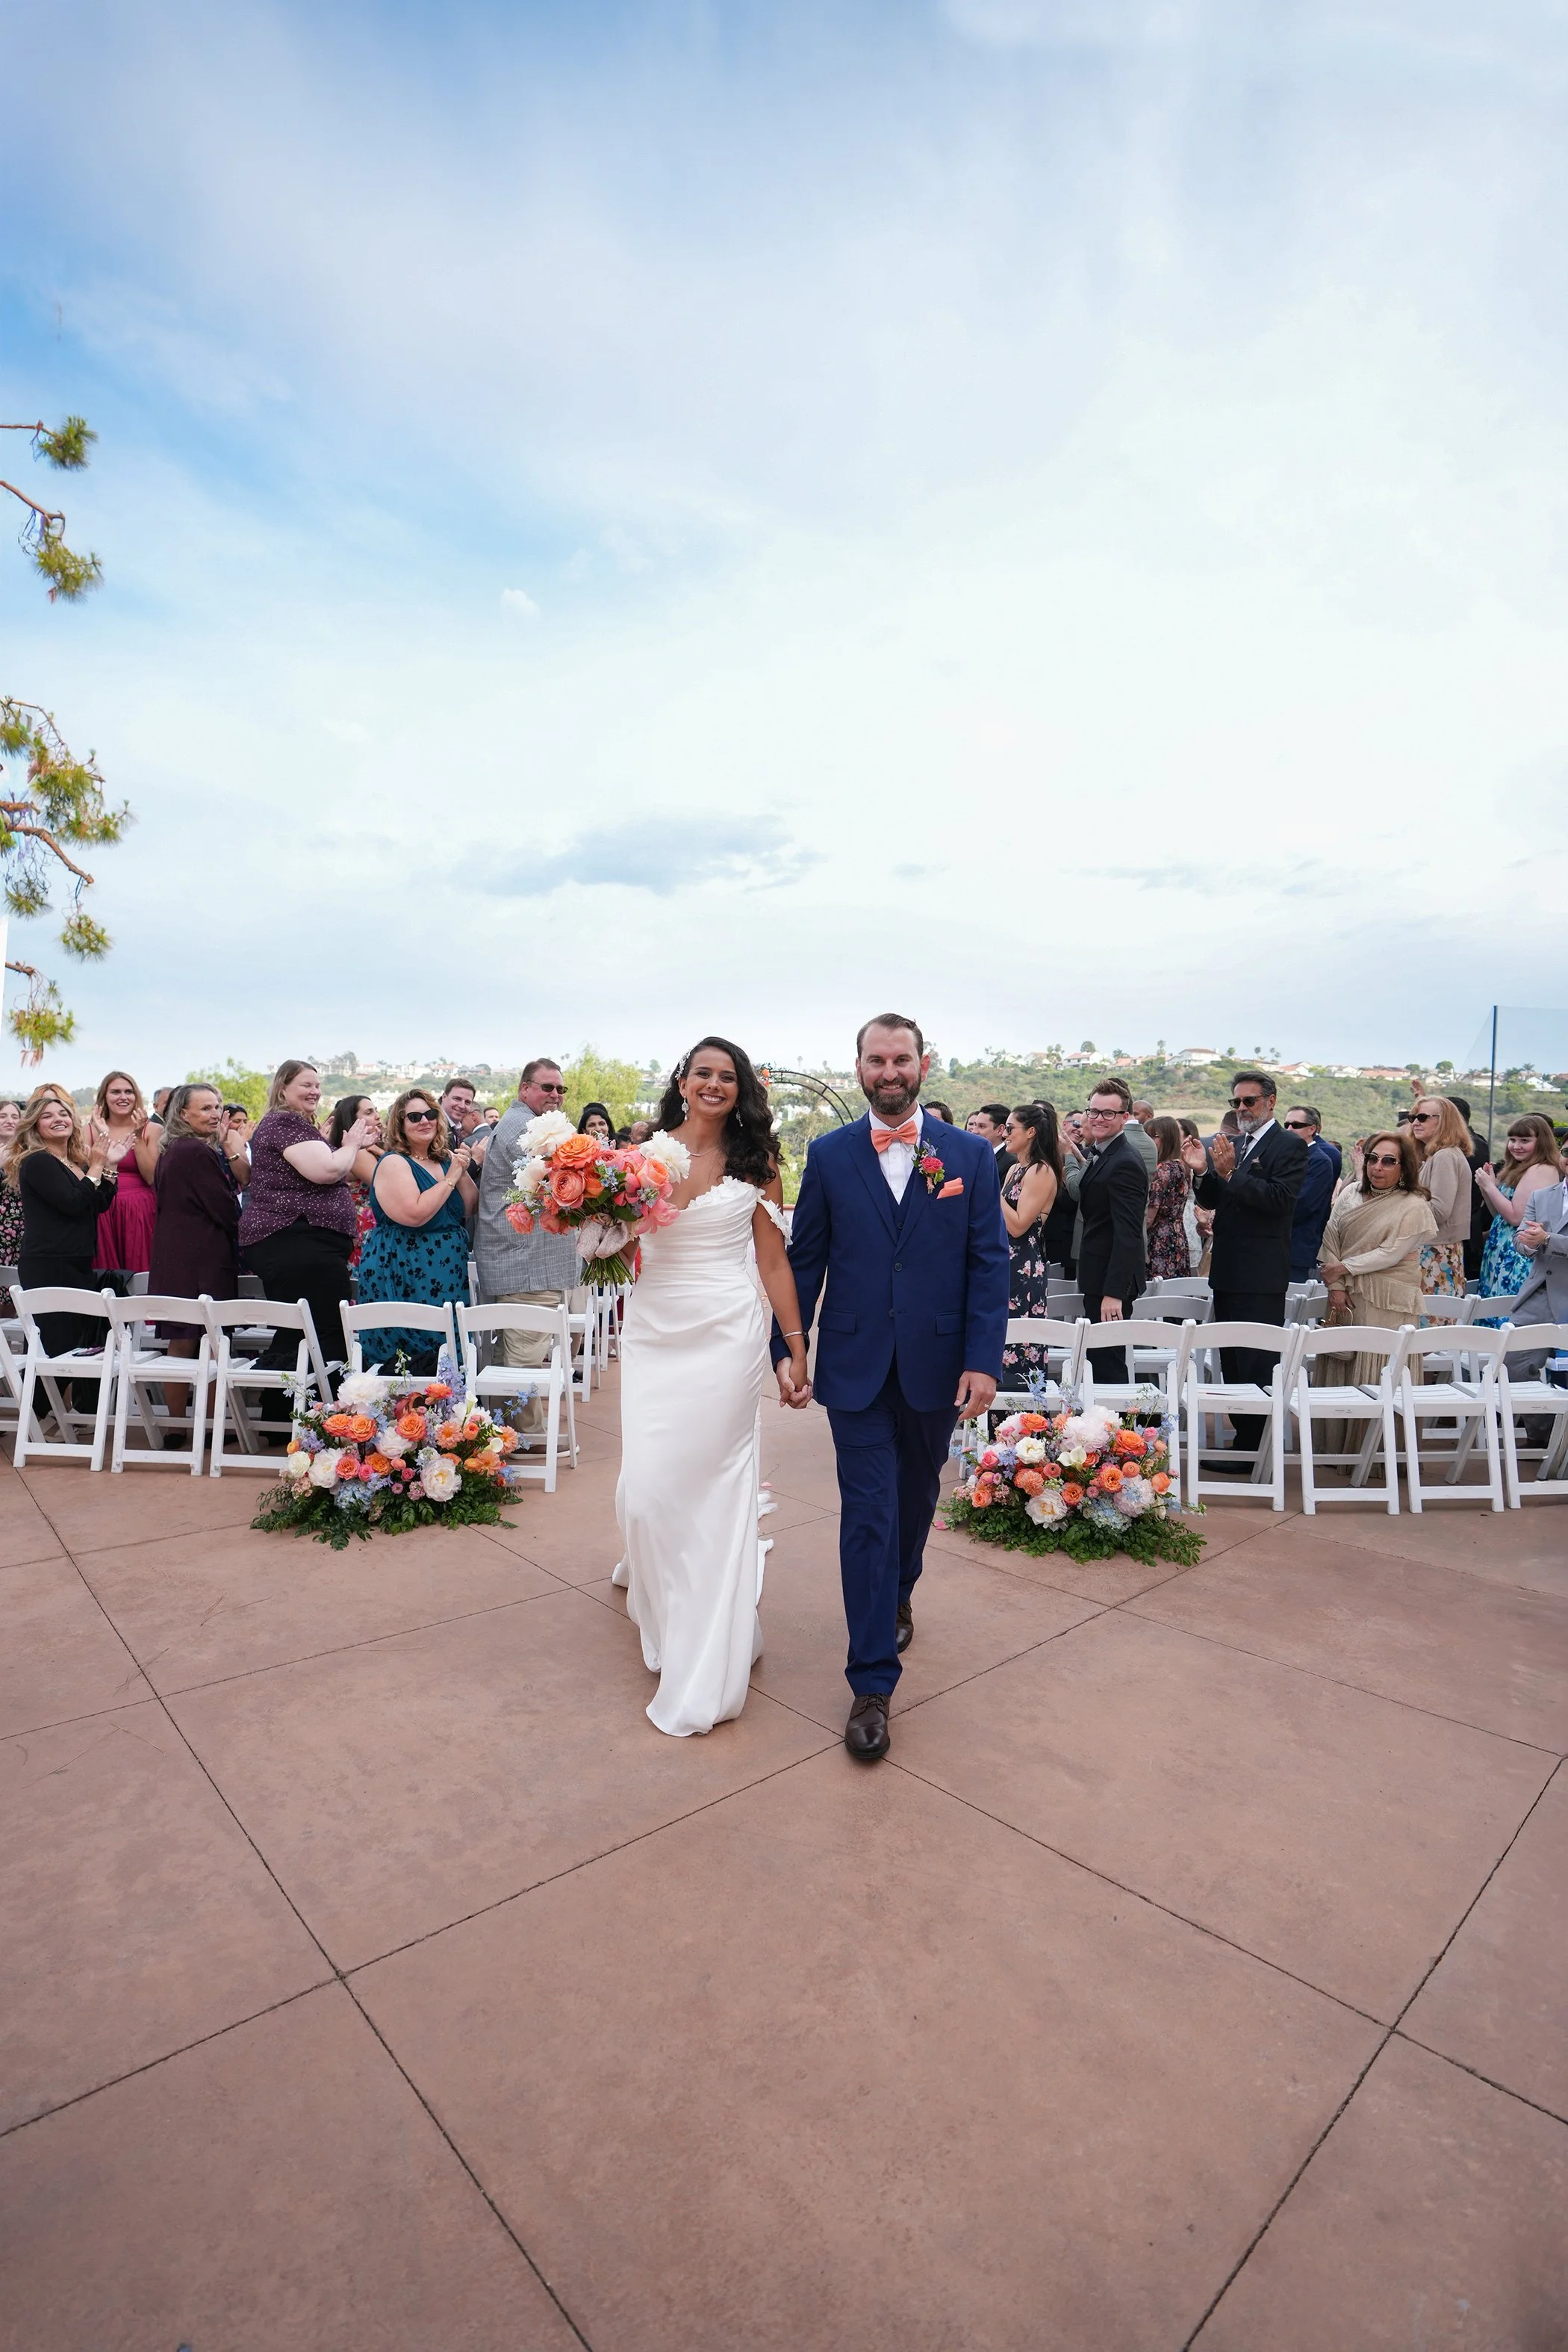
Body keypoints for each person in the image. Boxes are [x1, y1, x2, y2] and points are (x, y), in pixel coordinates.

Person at [776, 1014, 1008, 1762]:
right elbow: (803, 1259)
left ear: (923, 1064)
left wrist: (983, 1359)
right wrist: (788, 1347)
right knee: (868, 1514)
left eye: (900, 1059)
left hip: (938, 1366)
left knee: (913, 1505)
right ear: (858, 1067)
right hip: (854, 1365)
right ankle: (872, 1683)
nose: (888, 1071)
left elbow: (988, 1263)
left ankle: (901, 1586)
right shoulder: (829, 1155)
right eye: (875, 1060)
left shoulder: (969, 1155)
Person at [612, 1036, 811, 1738]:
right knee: (648, 1491)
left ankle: (713, 1646)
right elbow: (610, 1248)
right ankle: (668, 1608)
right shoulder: (640, 1158)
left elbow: (775, 1263)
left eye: (729, 1077)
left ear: (743, 1088)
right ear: (683, 1080)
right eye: (704, 1073)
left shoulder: (761, 1165)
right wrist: (605, 1225)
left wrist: (794, 1347)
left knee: (717, 1487)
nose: (715, 1085)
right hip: (654, 1332)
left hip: (728, 1333)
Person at [1182, 1071, 1307, 1466]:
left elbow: (1277, 1200)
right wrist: (1203, 1172)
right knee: (1231, 1361)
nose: (1241, 1109)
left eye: (1249, 1101)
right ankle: (1243, 1442)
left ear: (1270, 1101)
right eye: (1236, 1102)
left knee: (1256, 1362)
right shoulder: (1235, 1143)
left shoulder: (1289, 1146)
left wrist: (1230, 1173)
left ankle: (1257, 1447)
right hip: (1229, 1269)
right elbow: (1217, 1195)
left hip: (1261, 1273)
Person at [239, 1062, 376, 1391]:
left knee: (304, 1330)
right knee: (320, 1330)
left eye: (317, 1085)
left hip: (306, 1243)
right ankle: (319, 1416)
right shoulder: (284, 1121)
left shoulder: (295, 1124)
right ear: (283, 1088)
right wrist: (352, 1144)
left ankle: (286, 1416)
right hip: (296, 1241)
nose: (315, 1091)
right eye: (306, 1085)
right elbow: (327, 1170)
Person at [472, 1058, 581, 1419]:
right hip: (528, 1260)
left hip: (523, 1258)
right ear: (525, 1089)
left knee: (515, 1349)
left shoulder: (525, 1122)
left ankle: (506, 1430)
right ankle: (526, 1434)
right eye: (547, 1087)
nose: (555, 1094)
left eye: (560, 1089)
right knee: (525, 1351)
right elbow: (560, 1177)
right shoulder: (525, 1128)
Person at [10, 1086, 128, 1410]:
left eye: (63, 1114)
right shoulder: (37, 1162)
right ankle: (36, 1418)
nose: (58, 1119)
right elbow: (74, 1203)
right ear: (35, 1126)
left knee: (75, 1342)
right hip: (49, 1263)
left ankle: (58, 1416)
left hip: (77, 1262)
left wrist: (110, 1166)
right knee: (56, 1346)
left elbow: (99, 1203)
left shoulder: (74, 1160)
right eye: (47, 1116)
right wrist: (97, 1164)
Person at [354, 1089, 477, 1372]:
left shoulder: (445, 1159)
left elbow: (470, 1207)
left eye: (431, 1114)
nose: (425, 1121)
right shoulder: (394, 1162)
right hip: (404, 1267)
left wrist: (462, 1169)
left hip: (447, 1269)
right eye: (414, 1116)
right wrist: (452, 1177)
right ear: (400, 1124)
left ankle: (451, 1412)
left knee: (447, 1345)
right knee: (408, 1357)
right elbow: (416, 1214)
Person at [1315, 1131, 1437, 1393]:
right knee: (1341, 1361)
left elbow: (1391, 1253)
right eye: (1372, 1158)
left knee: (1376, 1374)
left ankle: (1379, 1437)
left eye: (1389, 1161)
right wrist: (1335, 1285)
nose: (1377, 1167)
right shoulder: (1351, 1193)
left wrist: (1343, 1268)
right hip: (1343, 1297)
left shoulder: (1413, 1205)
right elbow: (1330, 1236)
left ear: (1404, 1168)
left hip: (1386, 1301)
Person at [148, 1083, 243, 1419]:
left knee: (181, 1342)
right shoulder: (196, 1151)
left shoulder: (172, 1149)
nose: (215, 1113)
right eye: (205, 1108)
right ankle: (211, 1424)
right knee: (213, 1344)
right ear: (183, 1114)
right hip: (202, 1259)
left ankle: (177, 1424)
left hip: (175, 1257)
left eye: (217, 1106)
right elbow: (225, 1208)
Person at [1067, 1080, 1149, 1377]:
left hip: (1111, 1283)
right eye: (1094, 1111)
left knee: (1108, 1364)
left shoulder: (1124, 1161)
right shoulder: (1100, 1152)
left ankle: (1121, 1424)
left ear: (1124, 1117)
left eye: (1108, 1113)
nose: (1099, 1118)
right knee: (1099, 1361)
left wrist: (1114, 1293)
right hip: (1097, 1274)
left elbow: (1128, 1234)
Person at [998, 1103, 1061, 1386]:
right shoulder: (1014, 1170)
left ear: (1031, 1132)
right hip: (1003, 1262)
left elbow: (1019, 1223)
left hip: (1023, 1267)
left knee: (1019, 1345)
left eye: (1010, 1128)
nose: (1005, 1134)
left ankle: (1021, 1421)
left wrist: (988, 1187)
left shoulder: (1041, 1171)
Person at [1476, 1116, 1564, 1306]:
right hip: (1500, 1250)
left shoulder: (1541, 1169)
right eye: (1513, 1140)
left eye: (1525, 1141)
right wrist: (1488, 1187)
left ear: (1542, 1142)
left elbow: (1516, 1217)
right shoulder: (1518, 1168)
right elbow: (1499, 1215)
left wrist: (1490, 1188)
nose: (1516, 1146)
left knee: (1504, 1312)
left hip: (1517, 1255)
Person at [90, 1071, 162, 1283]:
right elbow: (89, 1172)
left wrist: (138, 1136)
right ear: (105, 1097)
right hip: (103, 1209)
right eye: (116, 1092)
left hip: (140, 1210)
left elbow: (151, 1177)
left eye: (129, 1092)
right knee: (107, 1276)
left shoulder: (154, 1129)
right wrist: (103, 1134)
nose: (123, 1097)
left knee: (142, 1272)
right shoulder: (89, 1130)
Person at [1409, 1095, 1472, 1300]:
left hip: (1436, 1253)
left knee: (1431, 1326)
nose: (1416, 1122)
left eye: (1423, 1117)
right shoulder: (1436, 1156)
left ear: (1444, 1121)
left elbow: (1438, 1212)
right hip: (1434, 1250)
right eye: (1413, 1117)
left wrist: (1398, 1207)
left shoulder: (1445, 1156)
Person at [328, 1095, 385, 1272]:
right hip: (364, 1225)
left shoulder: (365, 1150)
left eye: (376, 1110)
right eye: (369, 1112)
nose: (377, 1116)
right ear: (352, 1121)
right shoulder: (358, 1153)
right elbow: (385, 1184)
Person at [1284, 1104, 1340, 1281]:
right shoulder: (1285, 1156)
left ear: (1312, 1129)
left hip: (1297, 1247)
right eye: (1286, 1125)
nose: (1290, 1129)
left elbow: (1303, 1205)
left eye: (1295, 1125)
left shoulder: (1320, 1161)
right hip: (1276, 1245)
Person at [1144, 1115, 1192, 1280]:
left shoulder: (1162, 1170)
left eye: (1153, 1136)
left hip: (1159, 1239)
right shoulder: (1181, 1166)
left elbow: (1149, 1217)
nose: (1148, 1141)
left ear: (1166, 1138)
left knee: (1156, 1294)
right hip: (1177, 1235)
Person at [0, 1098, 25, 1264]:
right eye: (3, 1116)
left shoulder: (29, 1152)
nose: (10, 1121)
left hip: (24, 1225)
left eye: (15, 1117)